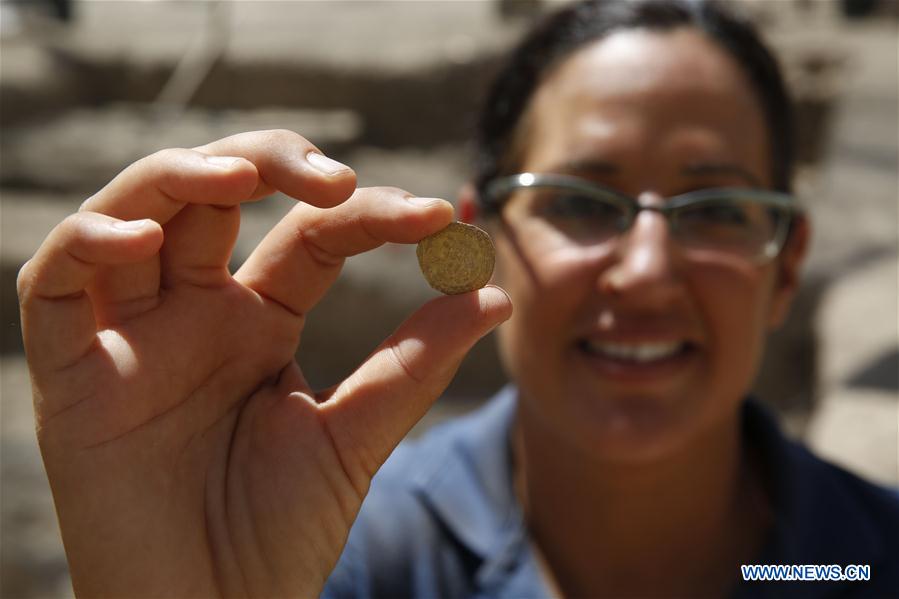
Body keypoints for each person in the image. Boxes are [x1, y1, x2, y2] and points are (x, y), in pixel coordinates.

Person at [16, 0, 898, 597]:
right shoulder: (340, 557)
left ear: (785, 267)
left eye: (714, 210)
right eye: (579, 202)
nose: (643, 268)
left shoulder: (858, 560)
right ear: (486, 243)